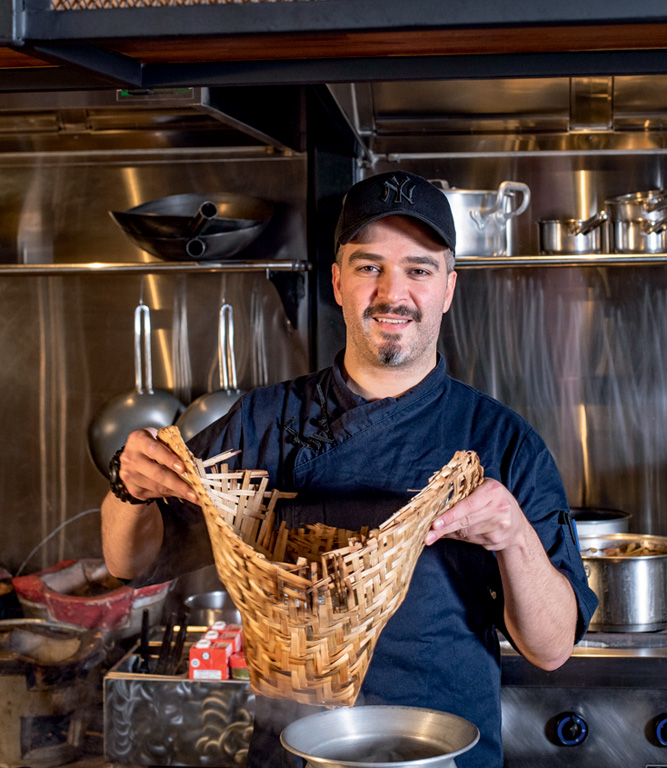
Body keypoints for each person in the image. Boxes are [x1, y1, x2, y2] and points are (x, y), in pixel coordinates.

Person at [101, 170, 597, 768]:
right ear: (337, 282)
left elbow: (550, 649)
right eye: (369, 267)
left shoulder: (502, 440)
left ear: (448, 288)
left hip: (442, 751)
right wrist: (127, 488)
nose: (393, 292)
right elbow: (128, 563)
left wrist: (515, 535)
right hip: (295, 750)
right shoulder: (262, 420)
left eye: (419, 269)